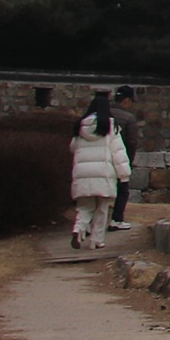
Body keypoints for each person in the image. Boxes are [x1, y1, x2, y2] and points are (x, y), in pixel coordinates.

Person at [68, 92, 130, 250]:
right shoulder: (111, 127)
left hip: (83, 173)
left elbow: (73, 148)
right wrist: (123, 175)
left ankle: (78, 229)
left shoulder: (80, 127)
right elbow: (118, 153)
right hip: (104, 173)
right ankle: (96, 241)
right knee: (102, 209)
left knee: (84, 207)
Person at [108, 85, 140, 230]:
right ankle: (116, 219)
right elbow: (132, 142)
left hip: (102, 158)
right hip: (120, 157)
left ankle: (92, 223)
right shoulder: (128, 118)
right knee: (122, 190)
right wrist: (129, 161)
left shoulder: (102, 114)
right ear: (126, 100)